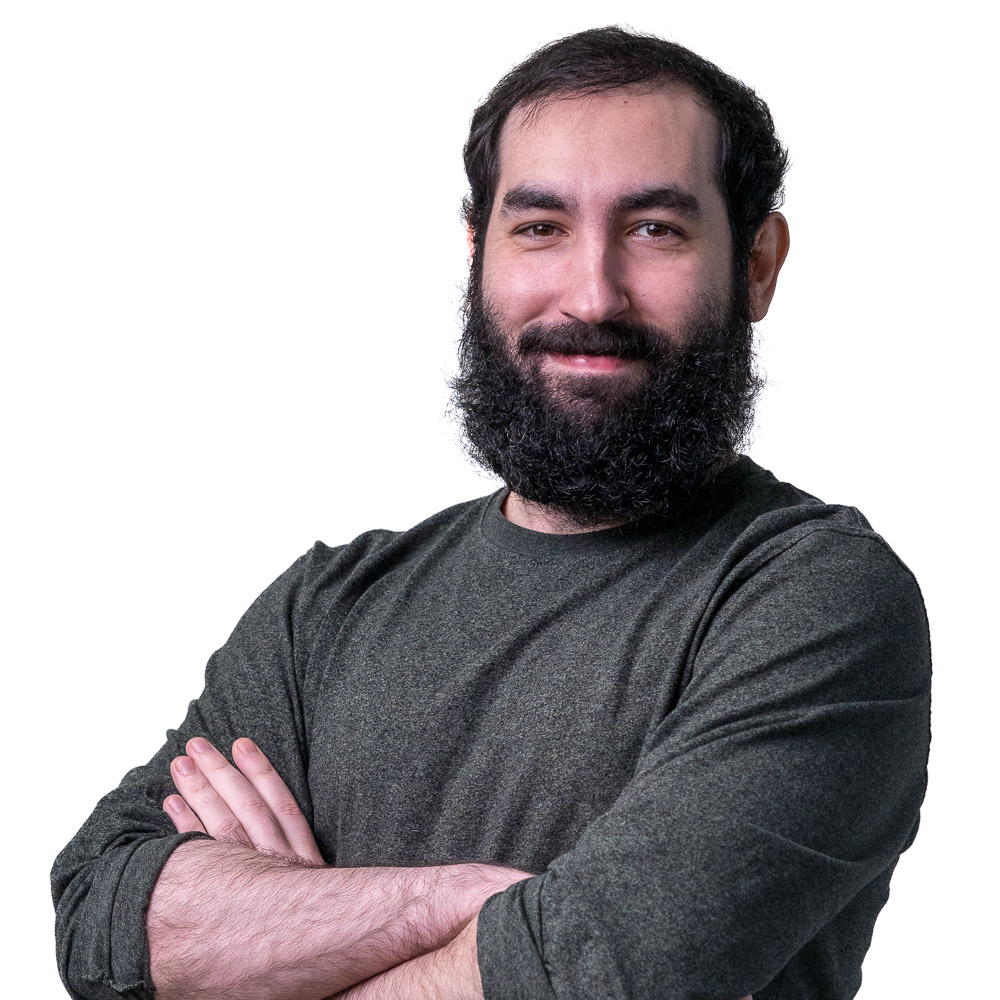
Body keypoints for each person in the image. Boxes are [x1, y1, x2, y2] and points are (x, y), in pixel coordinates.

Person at [51, 25, 931, 1000]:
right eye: (539, 226)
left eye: (654, 229)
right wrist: (453, 903)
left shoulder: (812, 599)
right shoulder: (322, 614)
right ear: (478, 251)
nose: (591, 292)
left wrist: (282, 934)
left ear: (757, 263)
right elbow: (101, 921)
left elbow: (593, 975)